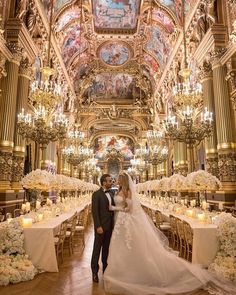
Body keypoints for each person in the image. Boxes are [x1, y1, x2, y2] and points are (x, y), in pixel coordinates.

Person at [104, 172, 236, 295]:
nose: (117, 180)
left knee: (133, 246)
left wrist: (114, 208)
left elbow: (129, 208)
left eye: (120, 179)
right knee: (122, 247)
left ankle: (135, 273)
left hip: (126, 220)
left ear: (124, 180)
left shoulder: (127, 191)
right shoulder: (120, 190)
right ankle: (125, 271)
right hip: (120, 222)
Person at [91, 174, 115, 283]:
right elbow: (95, 212)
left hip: (110, 226)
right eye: (110, 181)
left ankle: (106, 270)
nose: (112, 182)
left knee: (106, 249)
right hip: (101, 227)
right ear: (104, 182)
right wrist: (98, 226)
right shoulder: (96, 194)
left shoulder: (111, 193)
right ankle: (94, 272)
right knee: (97, 249)